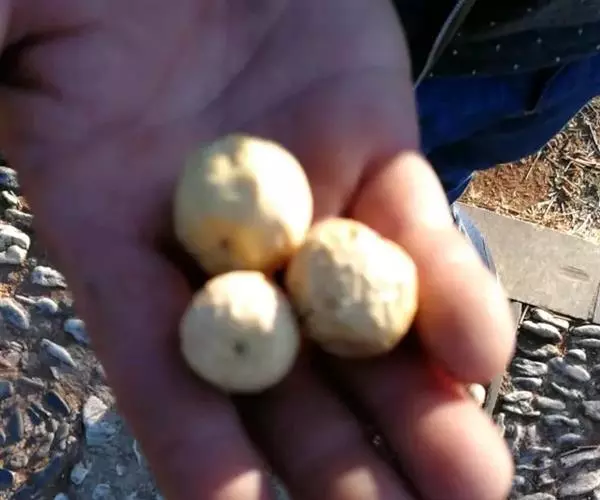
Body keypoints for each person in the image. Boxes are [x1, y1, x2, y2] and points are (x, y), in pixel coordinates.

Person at [1, 1, 589, 499]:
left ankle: (438, 197)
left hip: (551, 39)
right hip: (335, 32)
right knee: (397, 148)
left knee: (444, 152)